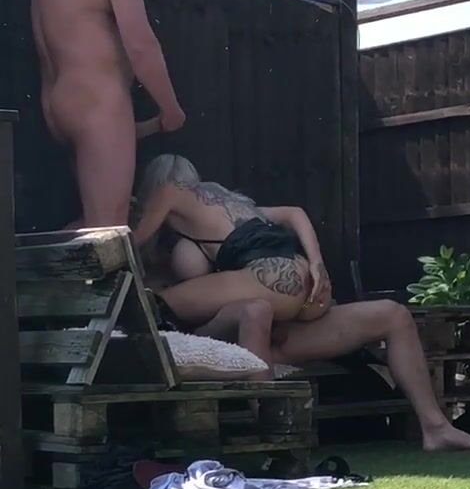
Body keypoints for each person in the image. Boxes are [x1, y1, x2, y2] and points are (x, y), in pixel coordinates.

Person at [135, 156, 470, 452]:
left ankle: (436, 426)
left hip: (271, 306)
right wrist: (314, 264)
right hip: (272, 317)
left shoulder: (178, 198)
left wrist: (318, 264)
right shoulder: (229, 217)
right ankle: (275, 434)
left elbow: (125, 243)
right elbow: (294, 212)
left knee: (393, 314)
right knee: (387, 314)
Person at [30, 0, 185, 230]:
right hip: (98, 102)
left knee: (93, 225)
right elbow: (140, 46)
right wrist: (170, 108)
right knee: (108, 228)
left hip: (57, 103)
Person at [132, 154, 332, 369]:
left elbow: (131, 242)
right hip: (311, 290)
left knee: (150, 306)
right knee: (247, 312)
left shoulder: (167, 190)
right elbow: (295, 212)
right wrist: (317, 264)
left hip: (270, 280)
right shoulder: (233, 204)